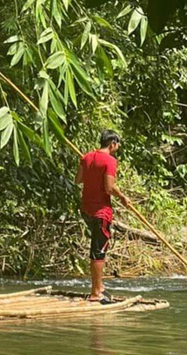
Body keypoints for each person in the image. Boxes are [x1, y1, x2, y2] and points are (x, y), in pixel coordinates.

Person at [74, 129, 132, 302]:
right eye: (117, 145)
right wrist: (122, 196)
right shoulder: (110, 161)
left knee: (97, 247)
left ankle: (100, 287)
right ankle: (95, 293)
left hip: (86, 209)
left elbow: (78, 180)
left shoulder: (87, 157)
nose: (118, 147)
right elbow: (109, 187)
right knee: (99, 251)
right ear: (112, 144)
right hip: (101, 212)